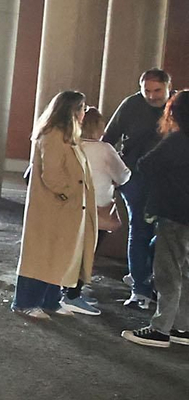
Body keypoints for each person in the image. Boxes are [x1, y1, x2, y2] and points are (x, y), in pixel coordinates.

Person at [13, 91, 96, 319]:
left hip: (65, 208)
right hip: (54, 207)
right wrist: (67, 193)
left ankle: (51, 300)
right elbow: (51, 173)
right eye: (82, 109)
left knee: (59, 256)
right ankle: (25, 302)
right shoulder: (53, 135)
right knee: (41, 256)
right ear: (72, 110)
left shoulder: (68, 135)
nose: (84, 114)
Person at [122, 89, 189, 348]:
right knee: (185, 272)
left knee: (168, 273)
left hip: (174, 212)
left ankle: (160, 329)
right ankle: (182, 326)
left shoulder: (177, 140)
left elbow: (145, 165)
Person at [104, 69, 171, 310]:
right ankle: (140, 289)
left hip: (168, 181)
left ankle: (141, 272)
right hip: (134, 178)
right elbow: (108, 138)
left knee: (167, 232)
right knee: (140, 230)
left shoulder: (178, 106)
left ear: (167, 87)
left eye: (157, 91)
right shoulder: (131, 104)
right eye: (147, 91)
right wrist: (111, 172)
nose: (152, 96)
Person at [62, 107, 129, 314]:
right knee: (87, 253)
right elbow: (124, 175)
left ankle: (61, 291)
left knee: (69, 249)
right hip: (97, 207)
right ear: (99, 127)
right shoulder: (105, 149)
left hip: (69, 206)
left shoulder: (69, 146)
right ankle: (73, 295)